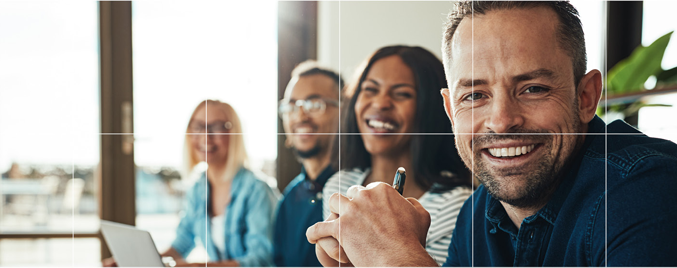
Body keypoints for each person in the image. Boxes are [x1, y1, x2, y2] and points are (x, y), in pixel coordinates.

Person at [306, 1, 677, 266]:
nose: (501, 120)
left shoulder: (661, 197)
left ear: (586, 96)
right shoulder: (480, 211)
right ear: (450, 112)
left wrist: (398, 259)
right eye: (474, 95)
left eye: (532, 88)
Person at [316, 45, 472, 266]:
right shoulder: (339, 184)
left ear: (431, 110)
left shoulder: (457, 205)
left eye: (402, 94)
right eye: (370, 89)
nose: (380, 103)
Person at [103, 100, 277, 267]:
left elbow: (260, 261)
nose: (205, 137)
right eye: (198, 127)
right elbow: (182, 244)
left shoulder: (257, 190)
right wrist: (138, 263)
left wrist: (197, 267)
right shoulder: (199, 188)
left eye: (216, 127)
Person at [273, 61, 344, 267]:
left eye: (314, 105)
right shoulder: (289, 199)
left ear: (344, 111)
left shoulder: (362, 188)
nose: (300, 116)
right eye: (291, 106)